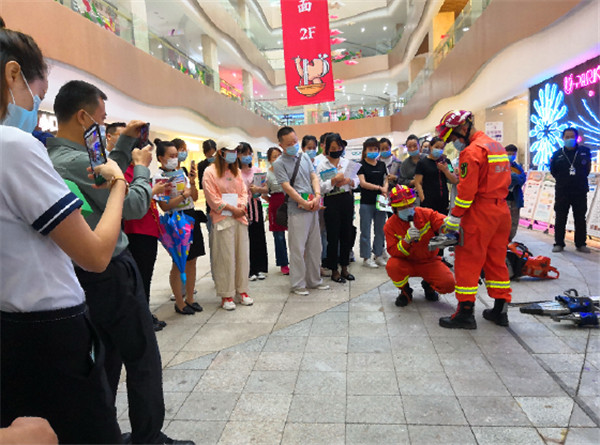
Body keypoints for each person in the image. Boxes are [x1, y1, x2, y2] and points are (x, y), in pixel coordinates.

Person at [47, 80, 192, 444]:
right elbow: (132, 205)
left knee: (106, 359)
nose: (104, 127)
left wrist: (125, 143)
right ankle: (147, 437)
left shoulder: (58, 158)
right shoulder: (79, 161)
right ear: (83, 117)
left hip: (84, 277)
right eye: (101, 120)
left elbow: (106, 172)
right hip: (112, 269)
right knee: (142, 356)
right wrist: (141, 168)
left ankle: (105, 433)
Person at [0, 27, 126, 444]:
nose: (37, 106)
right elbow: (94, 254)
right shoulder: (13, 146)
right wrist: (120, 185)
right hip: (49, 333)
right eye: (40, 92)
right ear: (13, 75)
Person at [436, 109, 512, 329]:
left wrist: (454, 217)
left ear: (463, 127)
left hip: (480, 214)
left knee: (468, 260)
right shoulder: (495, 146)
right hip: (501, 211)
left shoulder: (471, 152)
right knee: (496, 260)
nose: (453, 142)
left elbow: (467, 192)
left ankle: (465, 313)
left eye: (452, 137)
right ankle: (500, 310)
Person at [273, 126, 330, 295]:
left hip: (313, 206)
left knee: (315, 246)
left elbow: (313, 176)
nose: (294, 145)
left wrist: (317, 195)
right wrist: (303, 202)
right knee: (297, 248)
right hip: (296, 210)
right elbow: (287, 187)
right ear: (281, 145)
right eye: (289, 143)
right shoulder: (279, 163)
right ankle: (298, 284)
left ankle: (314, 280)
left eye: (295, 141)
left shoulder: (304, 156)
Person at [122, 136, 168, 330]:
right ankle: (141, 319)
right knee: (140, 277)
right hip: (137, 231)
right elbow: (132, 202)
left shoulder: (142, 172)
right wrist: (153, 189)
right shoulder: (126, 172)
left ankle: (144, 313)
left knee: (146, 275)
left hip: (149, 230)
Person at [202, 137, 253, 310]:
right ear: (221, 152)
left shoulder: (236, 171)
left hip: (239, 218)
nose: (233, 154)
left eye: (235, 151)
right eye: (230, 151)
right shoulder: (210, 172)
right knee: (225, 257)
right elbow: (212, 198)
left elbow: (243, 193)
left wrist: (241, 207)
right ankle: (226, 294)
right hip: (223, 219)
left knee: (242, 256)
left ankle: (242, 290)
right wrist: (232, 209)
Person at [153, 138, 204, 315]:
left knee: (193, 260)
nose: (176, 158)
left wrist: (192, 182)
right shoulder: (159, 179)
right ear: (161, 158)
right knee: (178, 261)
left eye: (177, 155)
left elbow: (195, 197)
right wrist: (183, 195)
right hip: (175, 221)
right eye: (171, 156)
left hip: (190, 216)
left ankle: (191, 298)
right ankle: (180, 302)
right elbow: (165, 206)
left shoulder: (181, 172)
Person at [384, 186, 455, 306]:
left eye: (410, 205)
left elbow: (441, 222)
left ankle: (429, 286)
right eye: (403, 207)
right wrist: (406, 241)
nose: (408, 209)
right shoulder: (390, 225)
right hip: (406, 262)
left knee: (448, 284)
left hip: (429, 261)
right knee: (392, 266)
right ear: (395, 208)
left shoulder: (426, 214)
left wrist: (450, 224)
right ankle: (405, 291)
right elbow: (393, 251)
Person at [316, 132, 359, 283]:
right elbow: (320, 188)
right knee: (332, 236)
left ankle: (345, 268)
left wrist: (350, 181)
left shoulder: (347, 162)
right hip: (331, 201)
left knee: (346, 234)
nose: (336, 150)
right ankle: (334, 270)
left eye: (339, 147)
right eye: (333, 147)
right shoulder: (322, 165)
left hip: (346, 199)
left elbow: (357, 181)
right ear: (327, 149)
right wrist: (333, 181)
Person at [550, 127, 592, 253]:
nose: (569, 139)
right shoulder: (557, 154)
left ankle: (580, 244)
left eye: (572, 137)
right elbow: (554, 171)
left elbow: (587, 169)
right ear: (563, 138)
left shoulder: (585, 152)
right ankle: (559, 243)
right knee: (560, 217)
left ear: (577, 137)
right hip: (563, 191)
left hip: (580, 190)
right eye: (567, 137)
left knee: (580, 217)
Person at [238, 142, 269, 280]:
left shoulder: (257, 170)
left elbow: (266, 188)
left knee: (258, 237)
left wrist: (258, 190)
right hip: (243, 208)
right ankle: (248, 270)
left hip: (256, 206)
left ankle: (259, 268)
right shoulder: (236, 173)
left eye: (249, 153)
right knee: (246, 238)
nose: (247, 156)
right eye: (243, 153)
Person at [357, 137, 388, 268]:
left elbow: (386, 178)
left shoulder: (382, 165)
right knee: (365, 230)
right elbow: (363, 183)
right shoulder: (361, 166)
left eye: (376, 149)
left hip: (380, 201)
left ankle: (378, 255)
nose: (373, 151)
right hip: (366, 202)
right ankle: (366, 257)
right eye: (370, 149)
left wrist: (385, 187)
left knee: (380, 230)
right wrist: (379, 188)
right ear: (365, 151)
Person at [414, 136, 459, 216]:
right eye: (436, 147)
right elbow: (417, 182)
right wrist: (422, 197)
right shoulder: (422, 163)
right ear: (430, 147)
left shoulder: (447, 162)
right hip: (428, 201)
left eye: (441, 148)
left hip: (443, 201)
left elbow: (454, 180)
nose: (439, 150)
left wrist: (445, 170)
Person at [265, 146, 290, 275]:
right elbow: (264, 192)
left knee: (295, 234)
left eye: (279, 156)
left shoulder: (287, 171)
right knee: (279, 237)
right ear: (269, 159)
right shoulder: (267, 174)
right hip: (275, 205)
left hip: (289, 203)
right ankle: (283, 264)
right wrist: (271, 203)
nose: (278, 159)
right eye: (274, 156)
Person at [505, 144, 527, 241]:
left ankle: (509, 240)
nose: (511, 156)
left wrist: (512, 176)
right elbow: (504, 181)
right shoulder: (500, 167)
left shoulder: (517, 167)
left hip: (515, 199)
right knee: (504, 222)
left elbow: (522, 179)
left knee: (514, 222)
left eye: (513, 154)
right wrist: (514, 177)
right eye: (508, 154)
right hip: (503, 200)